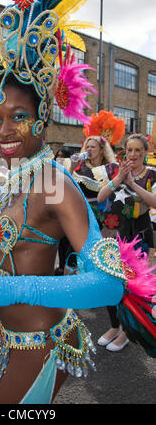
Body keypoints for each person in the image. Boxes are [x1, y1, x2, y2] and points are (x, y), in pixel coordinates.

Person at [0, 0, 156, 404]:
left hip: (41, 346)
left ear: (43, 116)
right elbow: (18, 199)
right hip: (16, 341)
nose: (3, 131)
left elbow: (108, 284)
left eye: (19, 117)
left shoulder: (58, 182)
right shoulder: (23, 175)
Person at [96, 133, 156, 351]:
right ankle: (114, 326)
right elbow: (102, 197)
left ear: (145, 152)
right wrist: (119, 179)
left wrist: (132, 184)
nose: (133, 154)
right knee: (110, 281)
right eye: (129, 149)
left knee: (132, 287)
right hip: (115, 235)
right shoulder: (115, 171)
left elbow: (154, 202)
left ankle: (126, 331)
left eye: (138, 150)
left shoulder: (151, 174)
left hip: (140, 237)